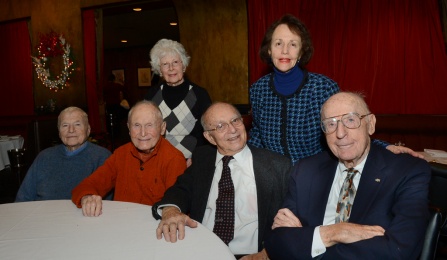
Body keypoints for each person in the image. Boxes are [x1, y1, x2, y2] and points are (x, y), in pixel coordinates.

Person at [264, 92, 431, 259]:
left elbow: (399, 250)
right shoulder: (306, 170)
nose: (340, 133)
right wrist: (333, 233)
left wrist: (309, 242)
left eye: (350, 120)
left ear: (370, 124)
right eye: (330, 124)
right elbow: (276, 242)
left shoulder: (408, 171)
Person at [248, 14, 420, 165]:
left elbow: (347, 129)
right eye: (278, 43)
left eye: (293, 44)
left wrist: (385, 147)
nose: (285, 50)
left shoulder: (323, 88)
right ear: (269, 50)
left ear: (301, 52)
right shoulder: (258, 90)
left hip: (316, 176)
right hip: (273, 178)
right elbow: (257, 136)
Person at [152, 102, 292, 258]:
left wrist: (268, 253)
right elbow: (181, 189)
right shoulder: (203, 158)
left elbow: (291, 217)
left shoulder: (276, 165)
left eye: (235, 121)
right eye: (220, 126)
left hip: (250, 254)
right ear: (209, 137)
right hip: (201, 249)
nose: (232, 130)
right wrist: (171, 210)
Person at [71, 100, 187, 217]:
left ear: (162, 128)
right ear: (128, 128)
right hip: (120, 222)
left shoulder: (174, 159)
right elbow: (89, 184)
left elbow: (176, 204)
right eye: (136, 125)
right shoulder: (120, 154)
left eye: (149, 125)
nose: (142, 133)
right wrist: (87, 197)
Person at [15, 107, 111, 202]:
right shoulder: (44, 157)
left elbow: (107, 203)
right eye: (65, 125)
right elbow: (23, 198)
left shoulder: (102, 157)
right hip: (43, 215)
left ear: (88, 130)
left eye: (77, 124)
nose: (71, 130)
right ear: (59, 132)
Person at [145, 39, 212, 167]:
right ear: (159, 70)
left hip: (192, 161)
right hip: (159, 161)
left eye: (175, 62)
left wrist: (195, 158)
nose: (171, 68)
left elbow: (209, 131)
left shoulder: (199, 95)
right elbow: (145, 130)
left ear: (184, 65)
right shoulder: (152, 96)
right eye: (165, 64)